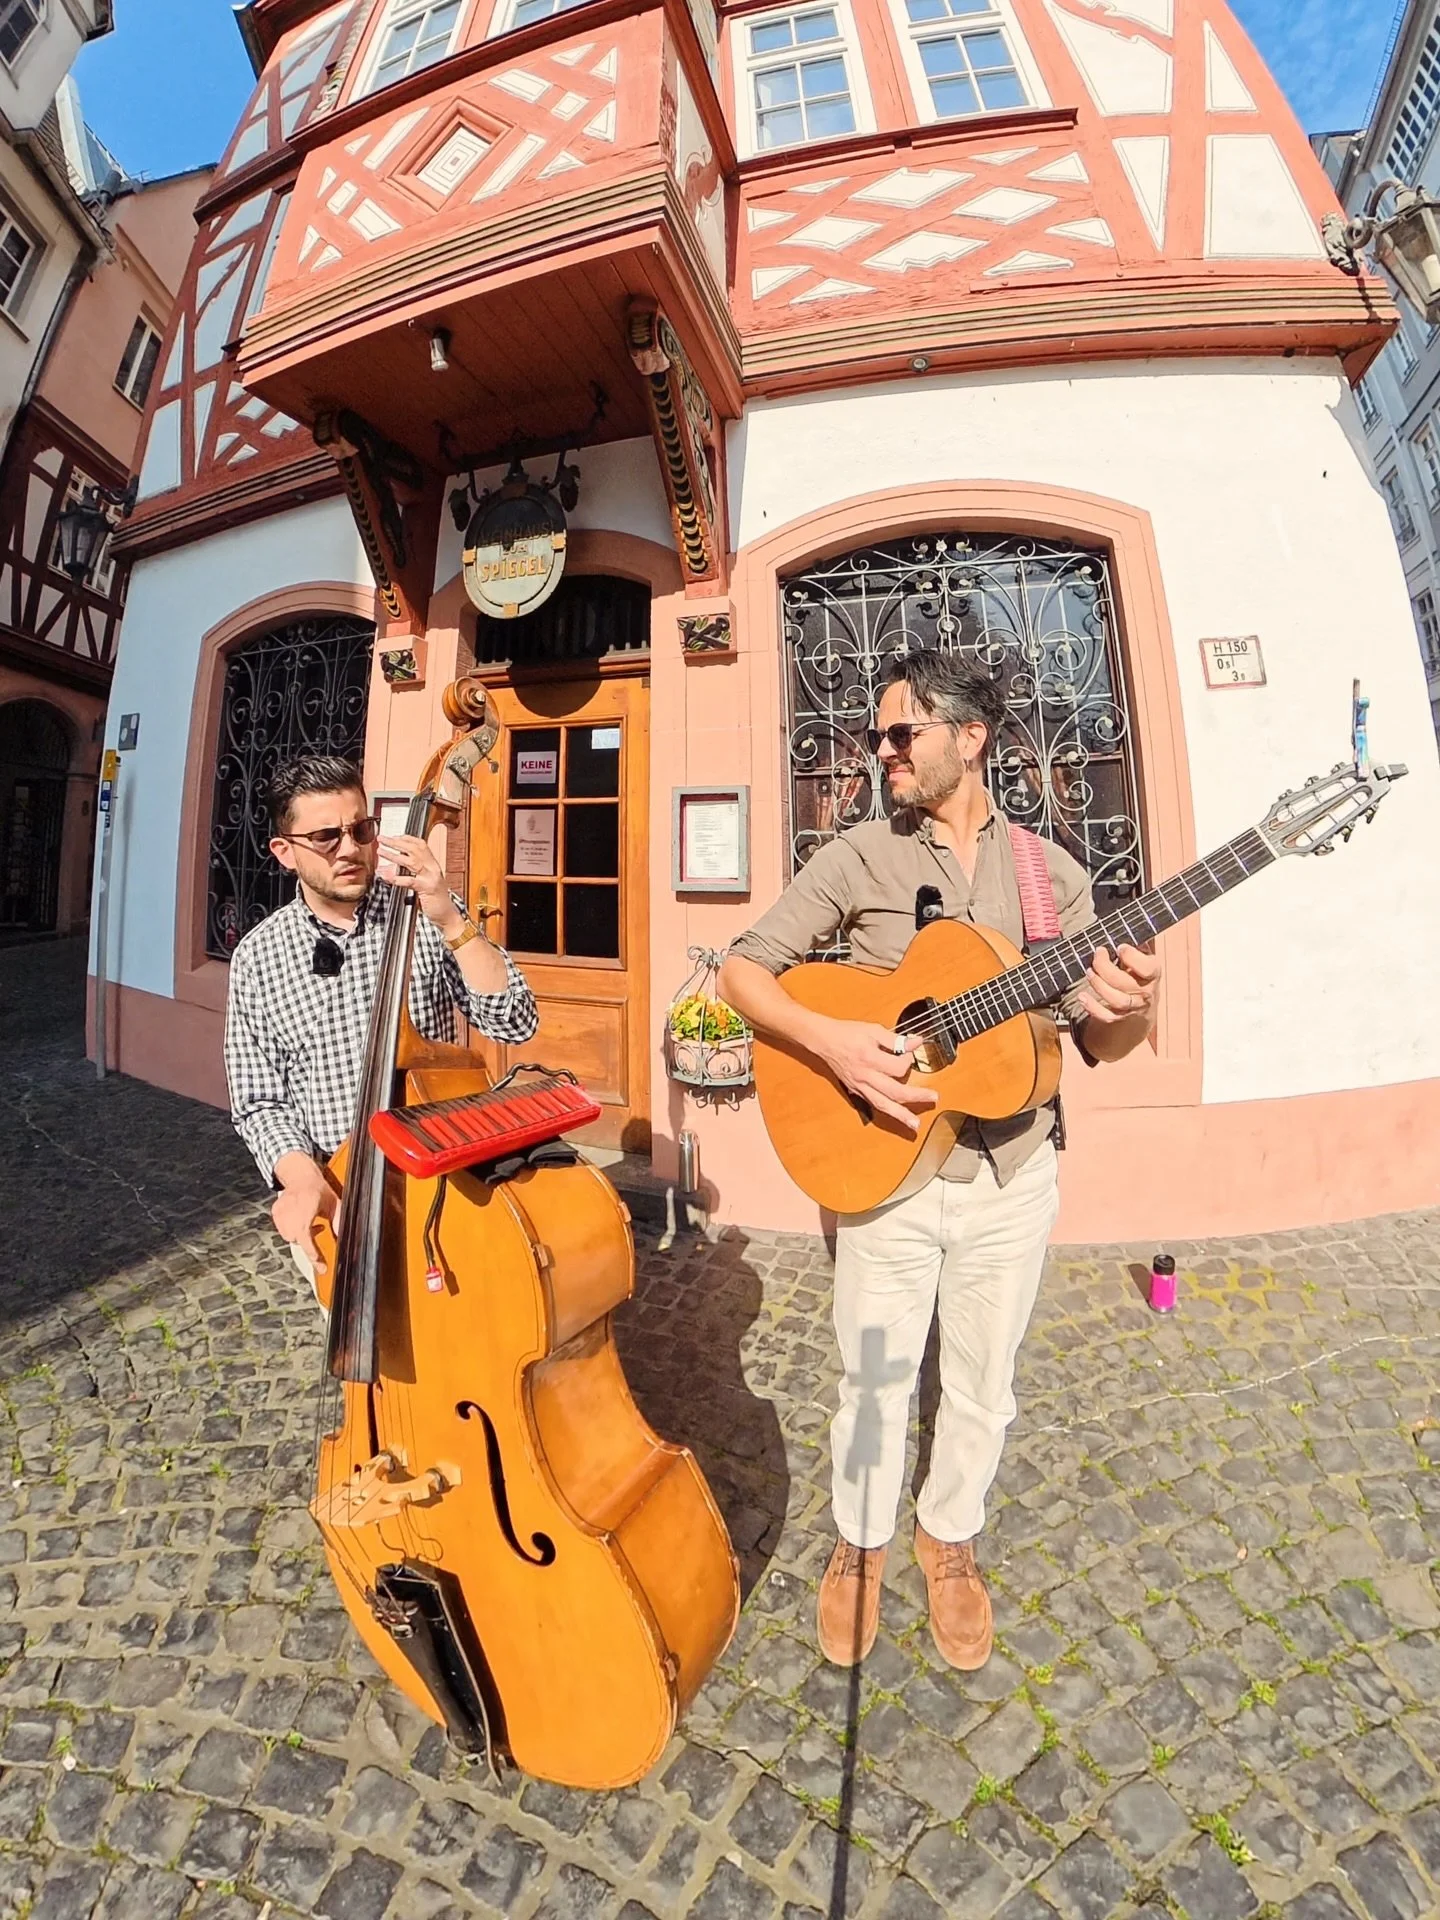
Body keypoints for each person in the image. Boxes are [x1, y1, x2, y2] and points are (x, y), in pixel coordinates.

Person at [718, 651, 1160, 1671]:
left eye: (899, 732)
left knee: (983, 1383)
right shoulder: (860, 856)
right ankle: (861, 1541)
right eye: (879, 734)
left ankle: (948, 1536)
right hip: (887, 1176)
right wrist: (833, 1043)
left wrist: (1137, 1004)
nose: (881, 751)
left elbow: (1103, 1040)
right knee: (874, 1378)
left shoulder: (1052, 877)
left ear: (969, 738)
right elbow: (744, 969)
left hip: (1013, 1177)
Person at [224, 754, 539, 1278]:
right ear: (284, 852)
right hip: (335, 1187)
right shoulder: (258, 957)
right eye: (326, 837)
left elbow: (515, 1022)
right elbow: (260, 1101)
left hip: (445, 1181)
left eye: (361, 830)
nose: (350, 849)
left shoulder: (423, 911)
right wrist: (303, 1180)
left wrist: (451, 920)